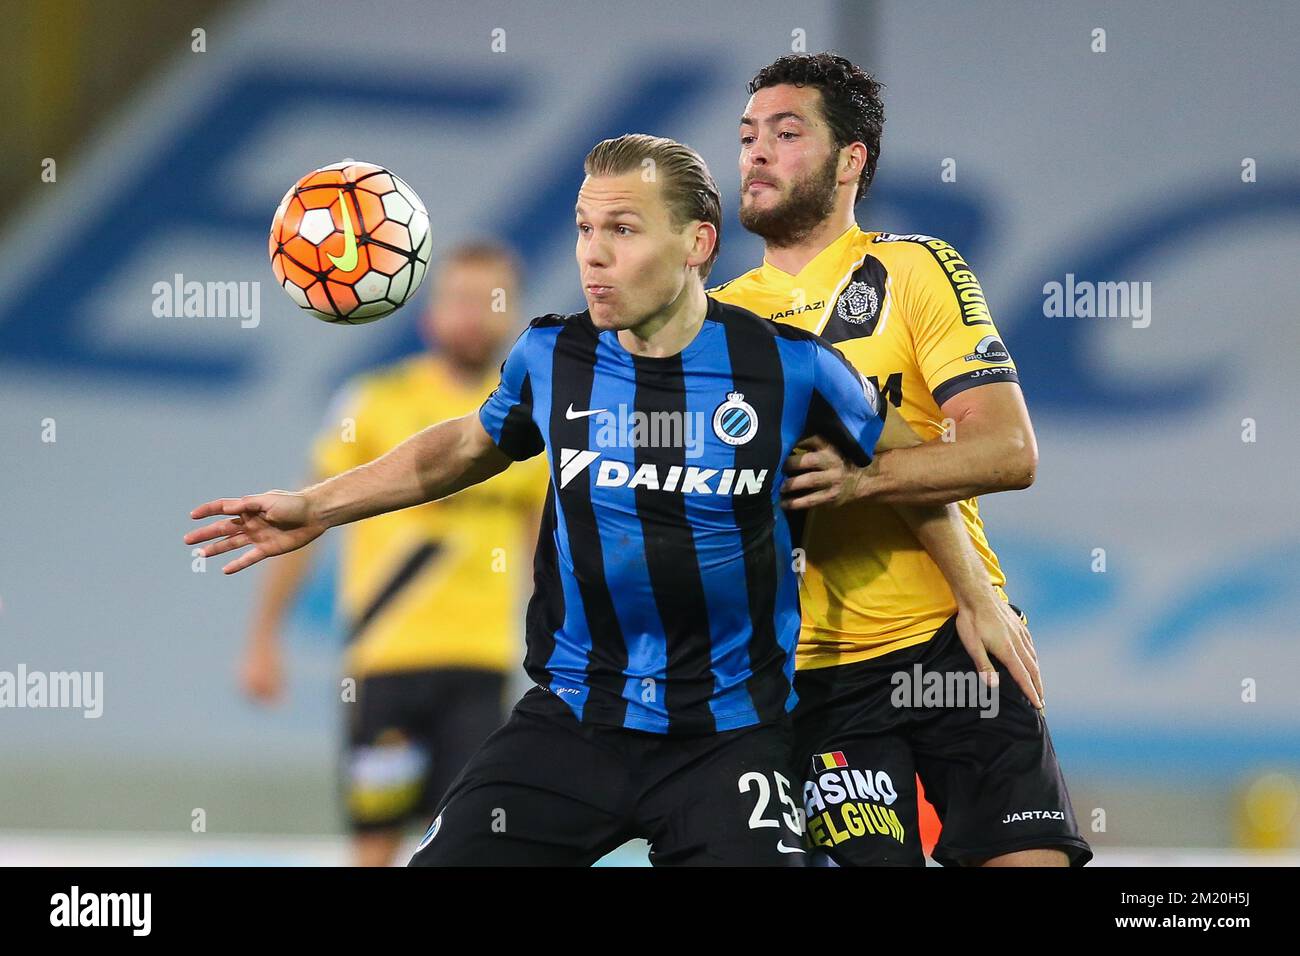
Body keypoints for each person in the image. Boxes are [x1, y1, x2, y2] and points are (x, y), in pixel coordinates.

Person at [187, 133, 978, 866]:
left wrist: (976, 597)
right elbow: (462, 447)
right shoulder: (552, 357)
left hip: (728, 739)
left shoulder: (792, 370)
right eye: (583, 228)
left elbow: (921, 473)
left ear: (697, 243)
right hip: (572, 722)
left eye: (623, 231)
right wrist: (315, 506)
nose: (592, 256)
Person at [709, 52, 1091, 866]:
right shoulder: (716, 322)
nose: (756, 154)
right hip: (820, 675)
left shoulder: (914, 267)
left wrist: (861, 480)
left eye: (786, 132)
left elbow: (1007, 449)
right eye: (747, 136)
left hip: (959, 640)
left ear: (851, 161)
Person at [239, 242, 546, 866]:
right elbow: (305, 520)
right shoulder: (374, 403)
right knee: (374, 844)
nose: (473, 316)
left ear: (511, 315)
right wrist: (264, 637)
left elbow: (548, 551)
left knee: (469, 844)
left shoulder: (527, 417)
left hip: (479, 668)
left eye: (491, 301)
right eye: (460, 299)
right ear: (427, 315)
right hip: (383, 664)